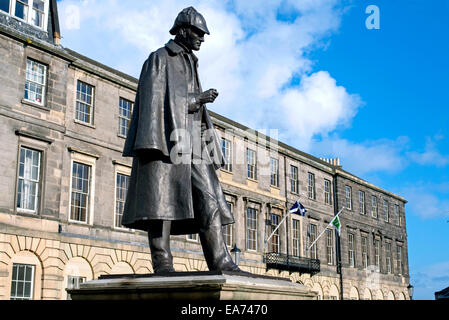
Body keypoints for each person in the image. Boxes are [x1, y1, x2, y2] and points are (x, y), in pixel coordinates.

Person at [121, 7, 240, 273]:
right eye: (198, 33)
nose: (202, 39)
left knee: (209, 197)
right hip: (164, 140)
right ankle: (162, 263)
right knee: (159, 203)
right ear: (183, 30)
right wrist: (198, 99)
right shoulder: (160, 58)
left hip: (192, 143)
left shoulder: (190, 61)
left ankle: (221, 261)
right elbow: (155, 102)